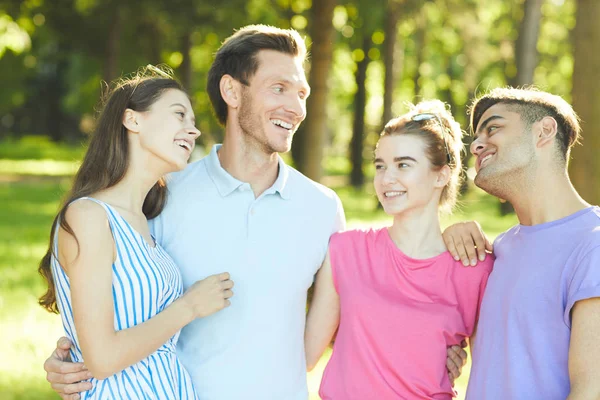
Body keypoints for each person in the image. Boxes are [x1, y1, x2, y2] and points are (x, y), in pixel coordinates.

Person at [43, 26, 468, 400]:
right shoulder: (162, 194)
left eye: (301, 93)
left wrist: (437, 342)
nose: (296, 107)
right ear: (232, 91)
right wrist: (69, 357)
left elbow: (365, 308)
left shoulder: (321, 208)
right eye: (278, 88)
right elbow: (116, 297)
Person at [37, 67, 235, 399]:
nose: (194, 130)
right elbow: (102, 359)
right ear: (133, 120)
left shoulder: (145, 221)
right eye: (179, 115)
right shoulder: (89, 216)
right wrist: (189, 307)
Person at [304, 100, 493, 399]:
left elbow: (489, 378)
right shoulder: (346, 250)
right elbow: (305, 355)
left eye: (403, 164)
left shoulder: (475, 267)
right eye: (381, 165)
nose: (386, 178)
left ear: (441, 175)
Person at [441, 87, 600, 399]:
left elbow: (590, 389)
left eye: (493, 128)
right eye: (476, 136)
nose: (475, 145)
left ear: (544, 131)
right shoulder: (498, 251)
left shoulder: (592, 244)